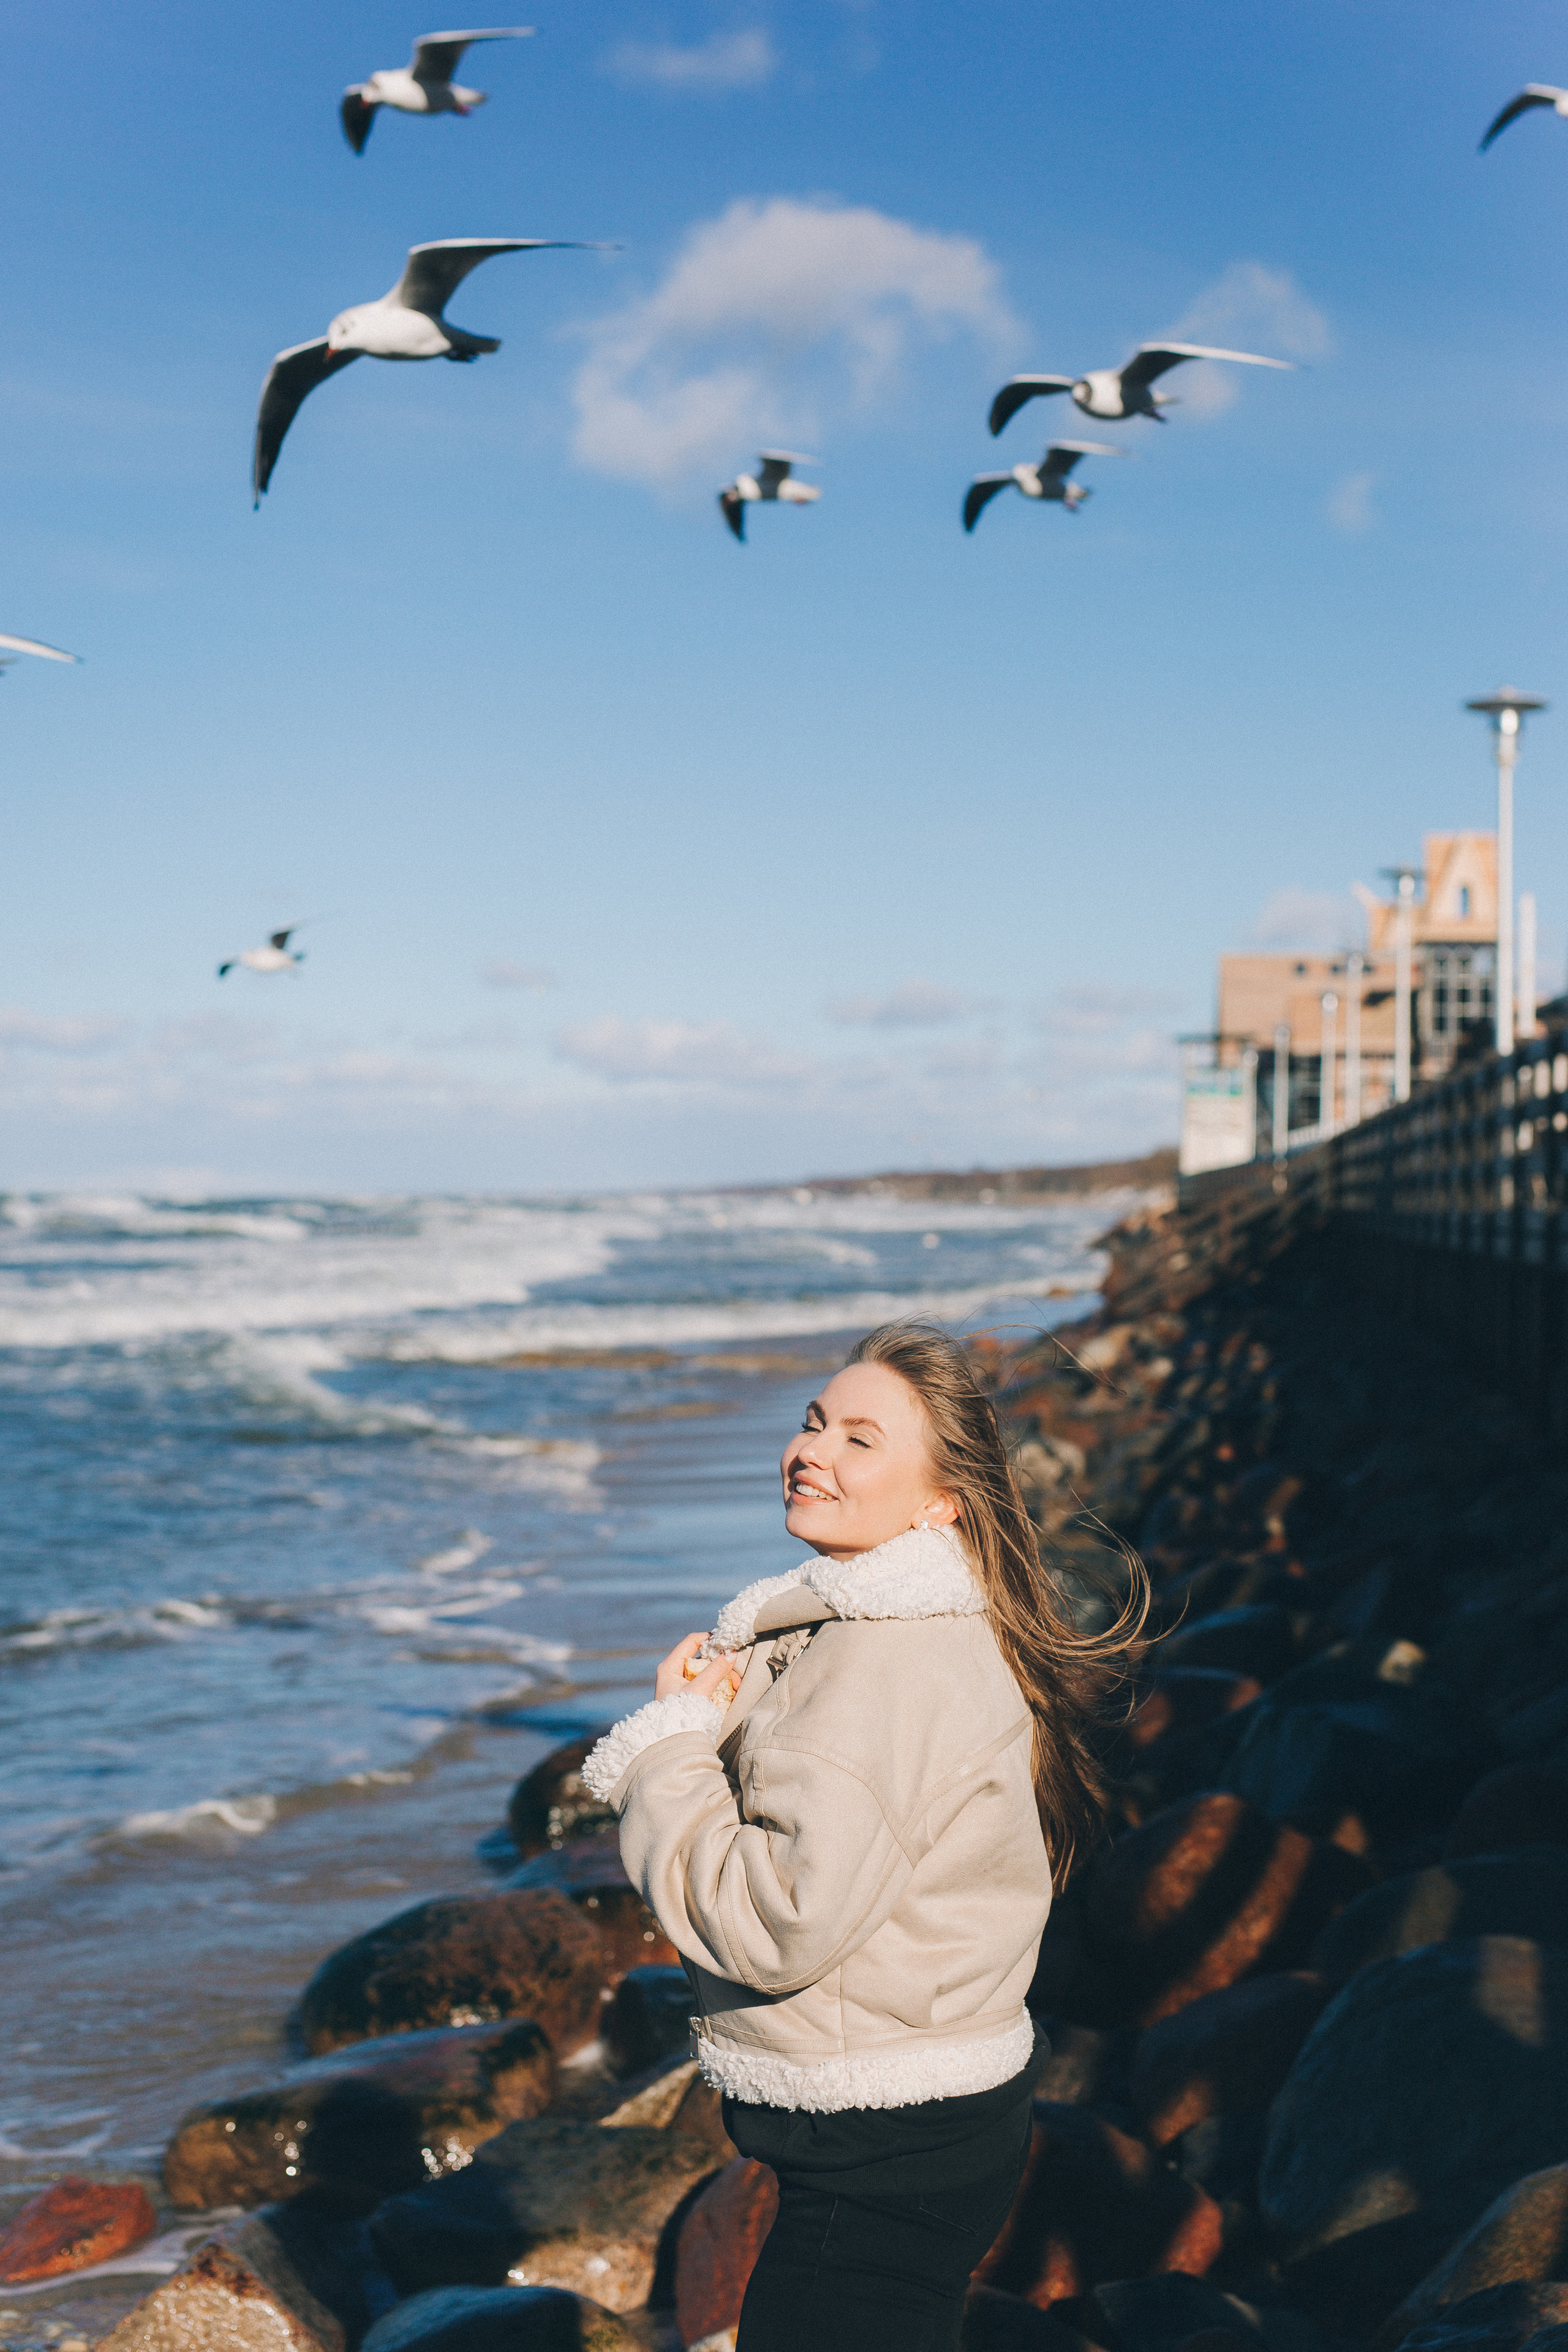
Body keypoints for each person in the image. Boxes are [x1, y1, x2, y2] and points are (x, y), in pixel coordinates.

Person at [581, 1319, 1147, 2351]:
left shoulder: (879, 1665)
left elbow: (778, 1917)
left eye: (860, 1439)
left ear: (942, 1501)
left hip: (881, 2140)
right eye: (812, 1423)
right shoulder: (912, 1628)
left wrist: (667, 1752)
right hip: (927, 2111)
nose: (813, 1453)